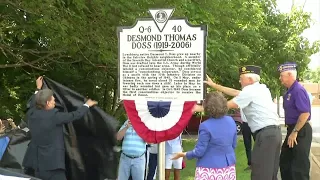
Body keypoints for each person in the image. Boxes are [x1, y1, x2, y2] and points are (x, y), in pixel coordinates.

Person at [203, 65, 282, 180]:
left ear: (250, 80)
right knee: (270, 174)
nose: (239, 80)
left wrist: (201, 108)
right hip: (274, 134)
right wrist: (214, 85)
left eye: (241, 78)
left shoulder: (249, 91)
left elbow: (227, 105)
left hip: (266, 135)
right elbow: (235, 92)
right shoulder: (261, 88)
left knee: (260, 174)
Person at [22, 76, 97, 180]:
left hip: (37, 164)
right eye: (53, 100)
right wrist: (87, 105)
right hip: (53, 165)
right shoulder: (55, 116)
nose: (54, 101)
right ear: (47, 103)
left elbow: (32, 103)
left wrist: (38, 89)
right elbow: (75, 115)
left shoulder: (32, 114)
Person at [172, 92, 237, 180]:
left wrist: (183, 154)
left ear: (207, 107)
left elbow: (199, 152)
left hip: (209, 169)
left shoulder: (206, 126)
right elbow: (234, 145)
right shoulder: (231, 121)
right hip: (228, 168)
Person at [278, 62, 312, 180]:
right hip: (292, 129)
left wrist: (295, 131)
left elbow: (305, 113)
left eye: (281, 76)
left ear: (289, 75)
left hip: (300, 130)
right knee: (285, 162)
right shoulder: (289, 91)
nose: (280, 78)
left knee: (299, 166)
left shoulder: (298, 90)